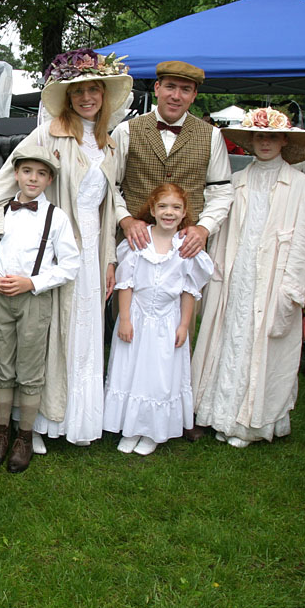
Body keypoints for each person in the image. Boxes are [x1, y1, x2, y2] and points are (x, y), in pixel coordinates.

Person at [0, 49, 133, 452]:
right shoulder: (47, 135)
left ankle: (79, 418)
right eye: (78, 91)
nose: (87, 97)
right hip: (53, 248)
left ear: (104, 94)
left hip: (91, 253)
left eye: (94, 90)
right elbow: (4, 185)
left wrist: (110, 258)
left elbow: (110, 203)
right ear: (68, 96)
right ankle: (35, 425)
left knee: (84, 333)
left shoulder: (110, 145)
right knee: (49, 333)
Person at [110, 59, 234, 441]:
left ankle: (176, 411)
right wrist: (125, 220)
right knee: (126, 324)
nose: (176, 96)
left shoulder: (210, 136)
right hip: (138, 245)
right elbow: (110, 185)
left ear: (194, 95)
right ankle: (123, 407)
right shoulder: (127, 130)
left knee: (179, 327)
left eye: (185, 90)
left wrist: (204, 226)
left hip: (183, 247)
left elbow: (222, 189)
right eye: (170, 87)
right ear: (158, 88)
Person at [191, 106, 305, 448]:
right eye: (259, 136)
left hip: (273, 279)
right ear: (250, 142)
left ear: (284, 141)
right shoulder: (237, 182)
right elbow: (221, 236)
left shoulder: (300, 187)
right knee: (229, 337)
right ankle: (217, 413)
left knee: (261, 343)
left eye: (272, 136)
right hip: (237, 274)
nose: (265, 143)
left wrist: (293, 289)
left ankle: (251, 423)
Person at [0, 146, 80, 472]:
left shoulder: (56, 217)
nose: (33, 178)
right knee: (3, 367)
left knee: (30, 372)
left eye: (40, 173)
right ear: (16, 175)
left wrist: (32, 283)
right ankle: (1, 434)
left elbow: (70, 265)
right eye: (27, 172)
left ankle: (25, 437)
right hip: (0, 298)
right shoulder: (0, 212)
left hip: (34, 301)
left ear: (49, 179)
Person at [104, 183, 213, 456]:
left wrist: (184, 326)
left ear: (185, 212)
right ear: (152, 209)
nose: (169, 212)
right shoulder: (139, 242)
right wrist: (125, 319)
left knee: (159, 377)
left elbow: (190, 291)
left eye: (176, 207)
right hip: (137, 318)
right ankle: (131, 428)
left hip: (168, 321)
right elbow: (126, 284)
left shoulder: (186, 247)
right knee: (132, 372)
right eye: (163, 206)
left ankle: (153, 429)